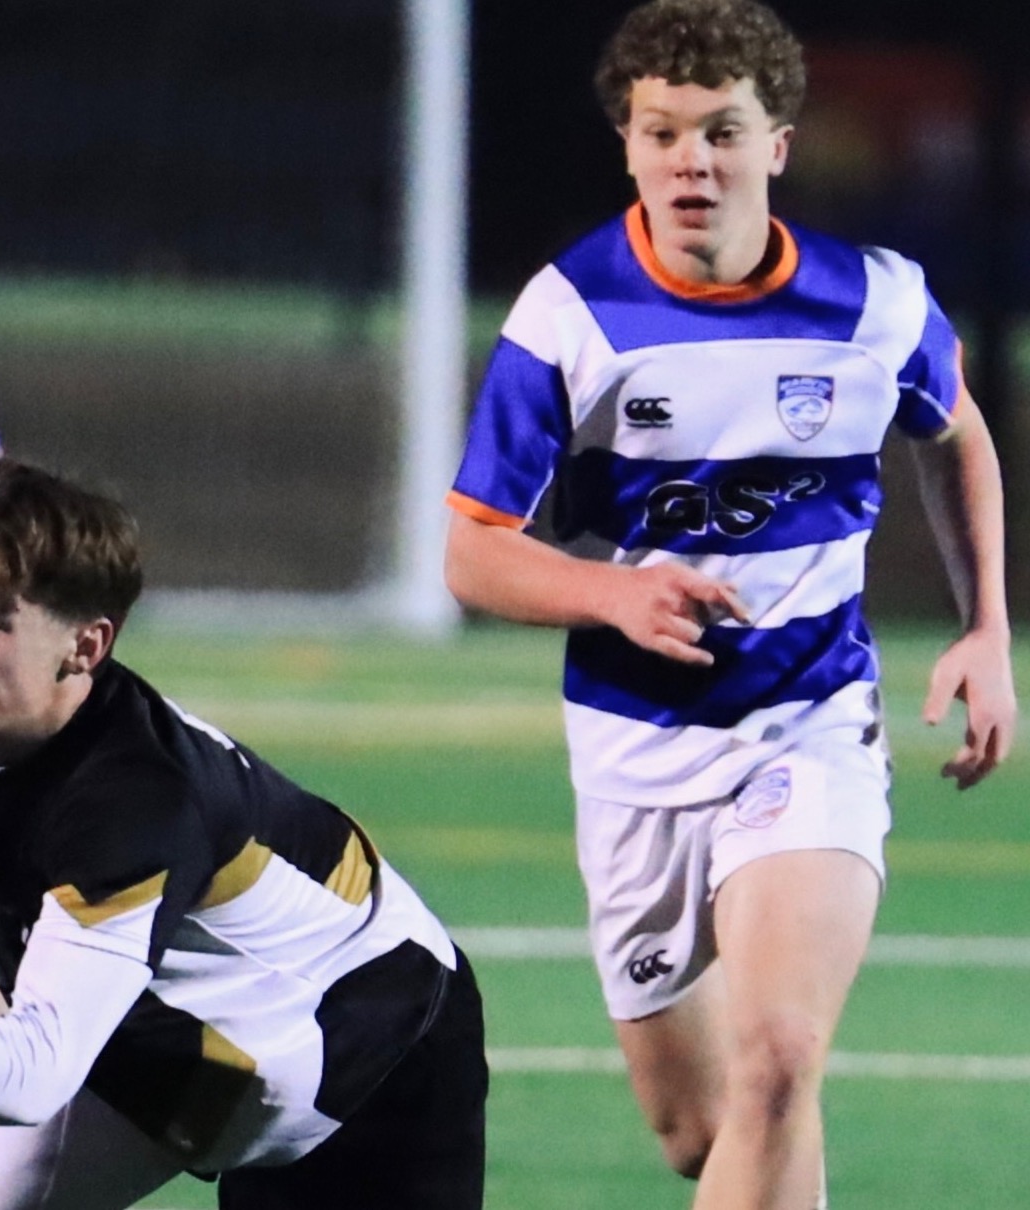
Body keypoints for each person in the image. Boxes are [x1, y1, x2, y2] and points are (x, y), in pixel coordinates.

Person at [442, 2, 1015, 1206]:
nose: (690, 161)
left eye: (720, 131)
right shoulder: (569, 319)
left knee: (778, 1062)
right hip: (634, 751)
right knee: (706, 1133)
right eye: (662, 133)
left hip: (809, 725)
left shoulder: (874, 305)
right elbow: (473, 554)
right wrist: (608, 592)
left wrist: (984, 627)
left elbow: (952, 428)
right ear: (629, 145)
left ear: (778, 145)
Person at [0, 459, 487, 1210]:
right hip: (131, 1037)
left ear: (85, 647)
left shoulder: (137, 801)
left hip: (360, 1056)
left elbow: (34, 1070)